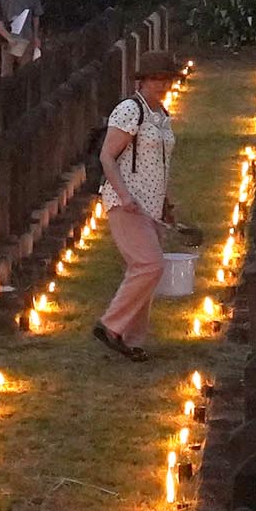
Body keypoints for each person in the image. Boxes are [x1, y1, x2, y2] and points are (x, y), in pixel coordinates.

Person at [92, 53, 182, 362]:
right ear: (143, 79)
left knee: (145, 270)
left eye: (167, 78)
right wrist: (124, 195)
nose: (163, 84)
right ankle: (110, 325)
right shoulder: (130, 110)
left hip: (152, 206)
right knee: (149, 265)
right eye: (157, 78)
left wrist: (166, 200)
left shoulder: (161, 114)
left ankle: (132, 338)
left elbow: (159, 163)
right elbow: (106, 156)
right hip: (126, 204)